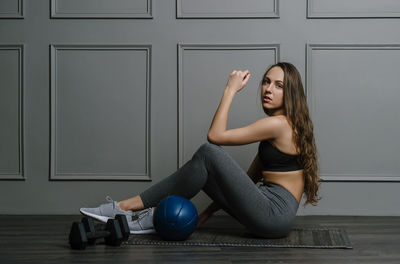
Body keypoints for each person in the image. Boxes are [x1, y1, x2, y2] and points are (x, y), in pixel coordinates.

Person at [80, 62, 320, 239]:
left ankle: (123, 207)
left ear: (290, 93)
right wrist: (206, 215)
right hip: (268, 215)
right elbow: (246, 182)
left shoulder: (278, 125)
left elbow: (215, 137)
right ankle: (145, 220)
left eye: (279, 85)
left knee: (208, 153)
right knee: (206, 170)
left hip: (272, 215)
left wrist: (230, 90)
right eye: (266, 82)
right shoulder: (279, 131)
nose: (268, 89)